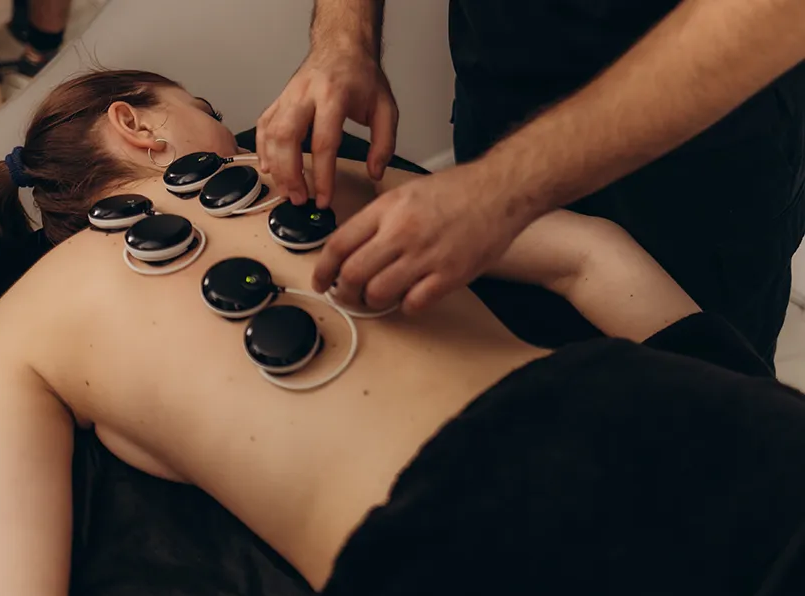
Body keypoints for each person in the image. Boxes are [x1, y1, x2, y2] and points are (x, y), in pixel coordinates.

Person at [0, 69, 805, 596]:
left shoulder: (19, 331)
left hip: (442, 549)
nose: (232, 132)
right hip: (657, 412)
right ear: (135, 121)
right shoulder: (303, 175)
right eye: (204, 107)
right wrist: (728, 387)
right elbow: (589, 251)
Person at [257, 0, 805, 367]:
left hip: (709, 136)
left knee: (702, 404)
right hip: (501, 95)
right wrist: (342, 39)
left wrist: (501, 189)